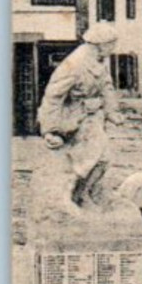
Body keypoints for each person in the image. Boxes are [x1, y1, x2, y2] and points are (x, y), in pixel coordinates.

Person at [38, 22, 123, 210]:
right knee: (93, 159)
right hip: (76, 118)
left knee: (101, 159)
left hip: (94, 118)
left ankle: (83, 194)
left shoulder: (98, 61)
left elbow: (106, 87)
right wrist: (50, 130)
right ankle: (72, 196)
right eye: (111, 44)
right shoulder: (74, 64)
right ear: (100, 44)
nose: (113, 49)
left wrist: (111, 111)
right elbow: (53, 96)